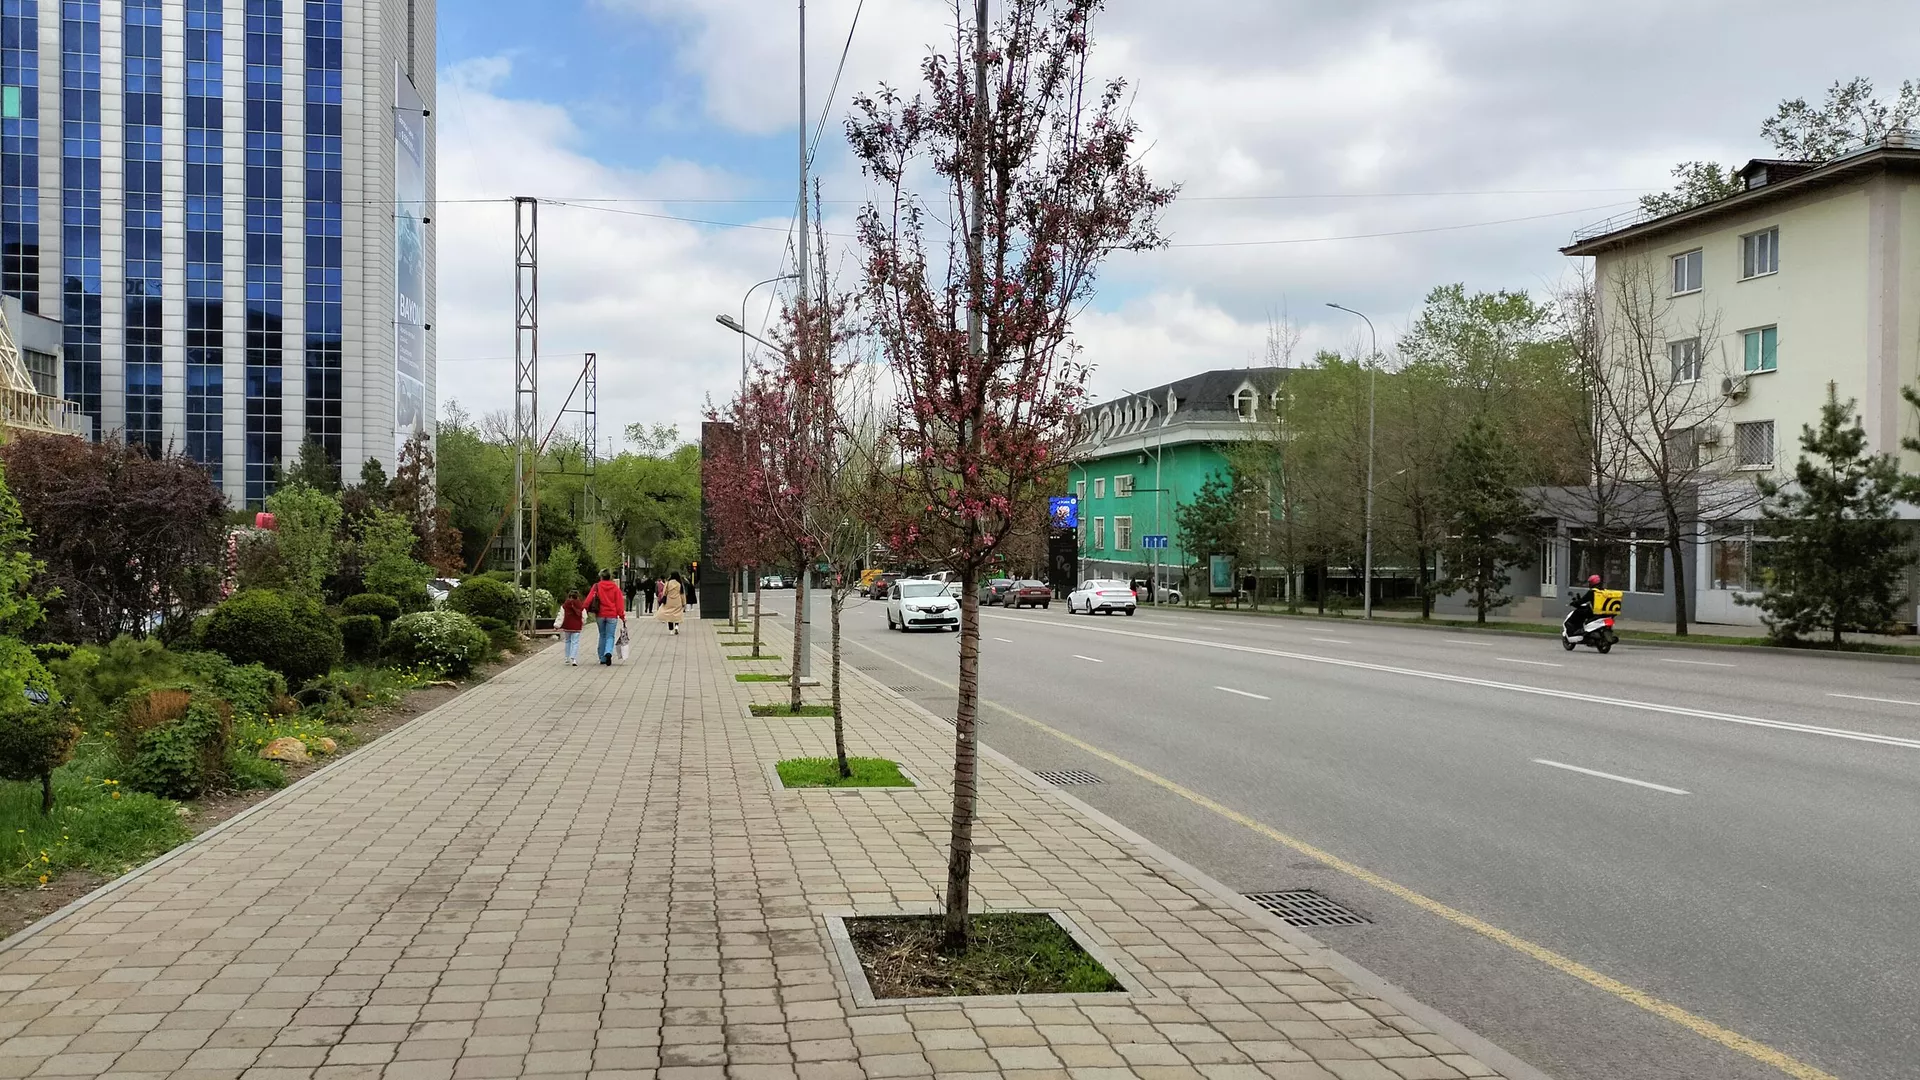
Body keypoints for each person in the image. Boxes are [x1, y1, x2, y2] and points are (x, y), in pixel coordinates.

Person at [587, 568, 626, 665]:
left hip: (600, 614)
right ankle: (608, 651)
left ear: (601, 577)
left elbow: (589, 599)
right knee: (610, 636)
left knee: (602, 635)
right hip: (612, 615)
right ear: (610, 577)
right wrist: (622, 616)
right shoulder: (615, 588)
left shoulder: (597, 586)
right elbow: (619, 603)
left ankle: (602, 657)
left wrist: (583, 609)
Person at [558, 589, 585, 666]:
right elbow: (584, 616)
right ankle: (574, 659)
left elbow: (561, 615)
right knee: (575, 642)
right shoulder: (580, 604)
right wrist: (582, 623)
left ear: (569, 596)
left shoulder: (565, 605)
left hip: (567, 625)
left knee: (567, 641)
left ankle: (567, 658)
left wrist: (557, 625)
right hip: (576, 626)